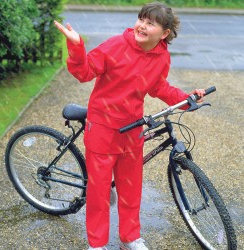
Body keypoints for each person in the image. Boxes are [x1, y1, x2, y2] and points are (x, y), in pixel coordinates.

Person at [54, 2, 205, 250]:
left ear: (164, 33)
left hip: (133, 129)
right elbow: (85, 71)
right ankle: (97, 244)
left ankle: (130, 238)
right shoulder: (115, 46)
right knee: (99, 193)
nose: (142, 26)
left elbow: (159, 87)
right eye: (141, 19)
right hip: (103, 127)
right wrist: (76, 45)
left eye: (150, 23)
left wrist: (186, 100)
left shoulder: (161, 56)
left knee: (130, 191)